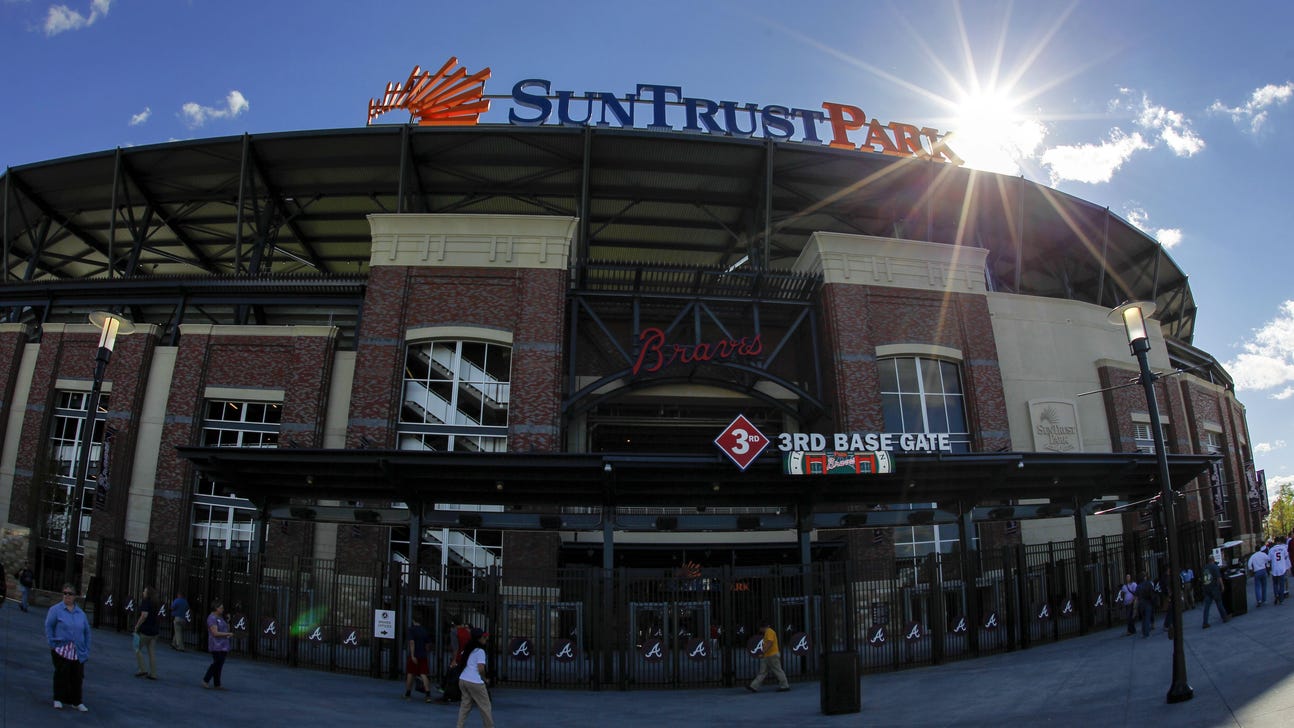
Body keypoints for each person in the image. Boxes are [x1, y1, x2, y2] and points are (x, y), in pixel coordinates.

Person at [44, 583, 91, 711]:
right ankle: (58, 699)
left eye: (69, 593)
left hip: (77, 650)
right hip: (61, 648)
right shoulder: (56, 610)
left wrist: (86, 649)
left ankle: (76, 702)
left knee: (77, 676)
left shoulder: (80, 613)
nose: (67, 596)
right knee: (61, 674)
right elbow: (49, 626)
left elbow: (87, 632)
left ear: (75, 596)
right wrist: (52, 643)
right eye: (65, 593)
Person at [456, 627, 493, 728]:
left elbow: (461, 660)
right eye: (483, 637)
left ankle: (459, 726)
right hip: (475, 681)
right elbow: (481, 668)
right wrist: (485, 678)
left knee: (465, 705)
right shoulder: (480, 651)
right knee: (485, 706)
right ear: (479, 638)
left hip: (463, 679)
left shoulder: (468, 648)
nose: (485, 639)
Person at [746, 619, 790, 692]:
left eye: (760, 628)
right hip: (768, 655)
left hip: (771, 655)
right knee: (765, 671)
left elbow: (769, 643)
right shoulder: (768, 632)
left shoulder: (769, 632)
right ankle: (753, 686)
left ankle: (785, 686)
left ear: (763, 627)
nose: (760, 630)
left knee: (776, 670)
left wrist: (763, 652)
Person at [202, 599, 232, 689]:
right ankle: (206, 680)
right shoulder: (212, 618)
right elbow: (215, 633)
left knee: (220, 664)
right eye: (221, 608)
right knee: (217, 663)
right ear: (216, 608)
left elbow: (226, 628)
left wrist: (228, 621)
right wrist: (227, 634)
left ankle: (217, 683)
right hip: (215, 644)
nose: (223, 609)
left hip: (223, 644)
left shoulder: (221, 618)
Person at [132, 586, 160, 679]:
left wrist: (137, 626)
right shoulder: (155, 603)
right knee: (151, 652)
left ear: (148, 593)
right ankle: (153, 673)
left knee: (137, 647)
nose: (143, 592)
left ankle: (142, 669)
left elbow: (144, 615)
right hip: (154, 631)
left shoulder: (146, 602)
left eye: (144, 591)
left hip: (145, 630)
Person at [404, 613, 432, 702]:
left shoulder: (411, 630)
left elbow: (411, 642)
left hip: (414, 654)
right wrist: (425, 652)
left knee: (410, 673)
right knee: (424, 674)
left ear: (413, 620)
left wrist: (412, 655)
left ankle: (408, 693)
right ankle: (428, 694)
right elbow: (428, 644)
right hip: (423, 654)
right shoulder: (424, 630)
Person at [1200, 554, 1229, 628]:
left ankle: (1205, 622)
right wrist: (1222, 586)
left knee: (1207, 606)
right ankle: (1224, 617)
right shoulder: (1215, 567)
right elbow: (1219, 578)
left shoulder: (1204, 568)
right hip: (1214, 588)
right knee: (1219, 603)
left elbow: (1202, 579)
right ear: (1213, 560)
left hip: (1207, 588)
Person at [1270, 536, 1290, 604]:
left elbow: (1269, 559)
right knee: (1281, 584)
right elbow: (1286, 556)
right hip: (1282, 568)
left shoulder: (1271, 550)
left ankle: (1276, 596)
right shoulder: (1283, 548)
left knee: (1275, 584)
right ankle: (1281, 599)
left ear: (1275, 542)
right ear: (1279, 542)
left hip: (1275, 569)